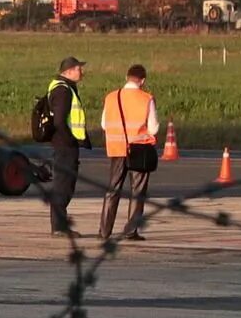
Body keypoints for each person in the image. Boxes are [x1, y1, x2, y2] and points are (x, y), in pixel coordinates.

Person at [99, 63, 161, 242]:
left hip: (116, 148)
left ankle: (104, 230)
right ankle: (131, 230)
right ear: (142, 80)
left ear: (127, 77)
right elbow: (154, 128)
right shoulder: (146, 98)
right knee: (138, 191)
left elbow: (104, 124)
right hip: (138, 149)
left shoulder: (111, 97)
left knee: (112, 189)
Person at [41, 56, 88, 235]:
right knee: (63, 185)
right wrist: (69, 139)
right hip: (65, 145)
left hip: (63, 144)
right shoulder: (63, 91)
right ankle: (59, 226)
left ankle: (59, 224)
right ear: (68, 71)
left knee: (65, 183)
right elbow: (59, 120)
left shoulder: (63, 87)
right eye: (78, 68)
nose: (81, 72)